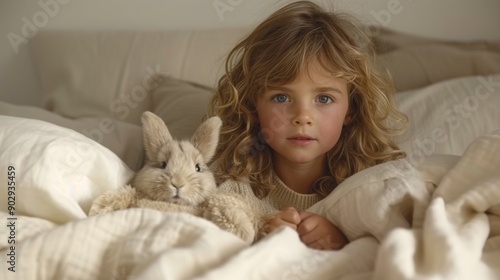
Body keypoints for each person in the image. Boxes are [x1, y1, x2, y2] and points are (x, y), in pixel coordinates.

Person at [208, 0, 408, 250]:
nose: (302, 116)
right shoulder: (228, 180)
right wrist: (261, 233)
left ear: (352, 109)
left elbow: (395, 244)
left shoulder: (373, 184)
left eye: (324, 98)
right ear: (253, 106)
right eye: (281, 97)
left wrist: (340, 241)